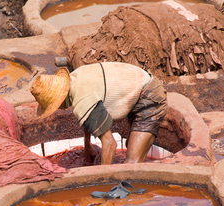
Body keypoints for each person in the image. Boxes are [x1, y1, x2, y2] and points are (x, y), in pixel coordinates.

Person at [30, 62, 167, 165]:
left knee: (131, 164)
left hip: (149, 97)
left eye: (55, 106)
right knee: (135, 154)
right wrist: (87, 145)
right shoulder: (76, 78)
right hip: (140, 89)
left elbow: (110, 144)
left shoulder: (82, 100)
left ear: (59, 100)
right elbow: (89, 115)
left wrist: (101, 181)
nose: (59, 109)